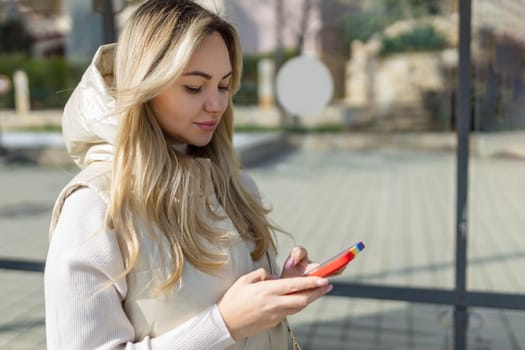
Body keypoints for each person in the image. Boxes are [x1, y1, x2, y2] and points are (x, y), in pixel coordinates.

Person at [44, 0, 333, 349]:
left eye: (224, 85)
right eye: (194, 87)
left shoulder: (233, 184)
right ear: (145, 86)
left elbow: (232, 305)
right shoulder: (95, 206)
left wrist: (277, 290)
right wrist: (223, 324)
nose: (216, 104)